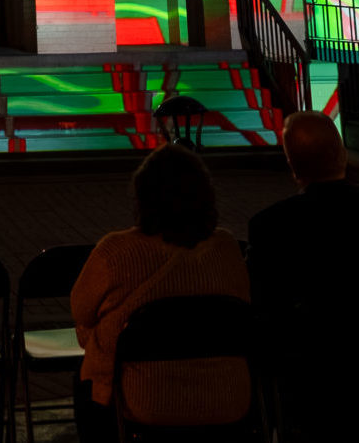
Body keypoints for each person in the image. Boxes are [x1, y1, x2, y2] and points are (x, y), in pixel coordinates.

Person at [249, 110, 359, 438]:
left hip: (310, 387)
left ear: (291, 163)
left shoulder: (270, 227)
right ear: (343, 153)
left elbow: (266, 310)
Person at [70, 142, 252, 439]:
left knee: (87, 371)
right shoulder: (227, 247)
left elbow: (81, 309)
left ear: (143, 197)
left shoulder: (116, 252)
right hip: (228, 398)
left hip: (147, 401)